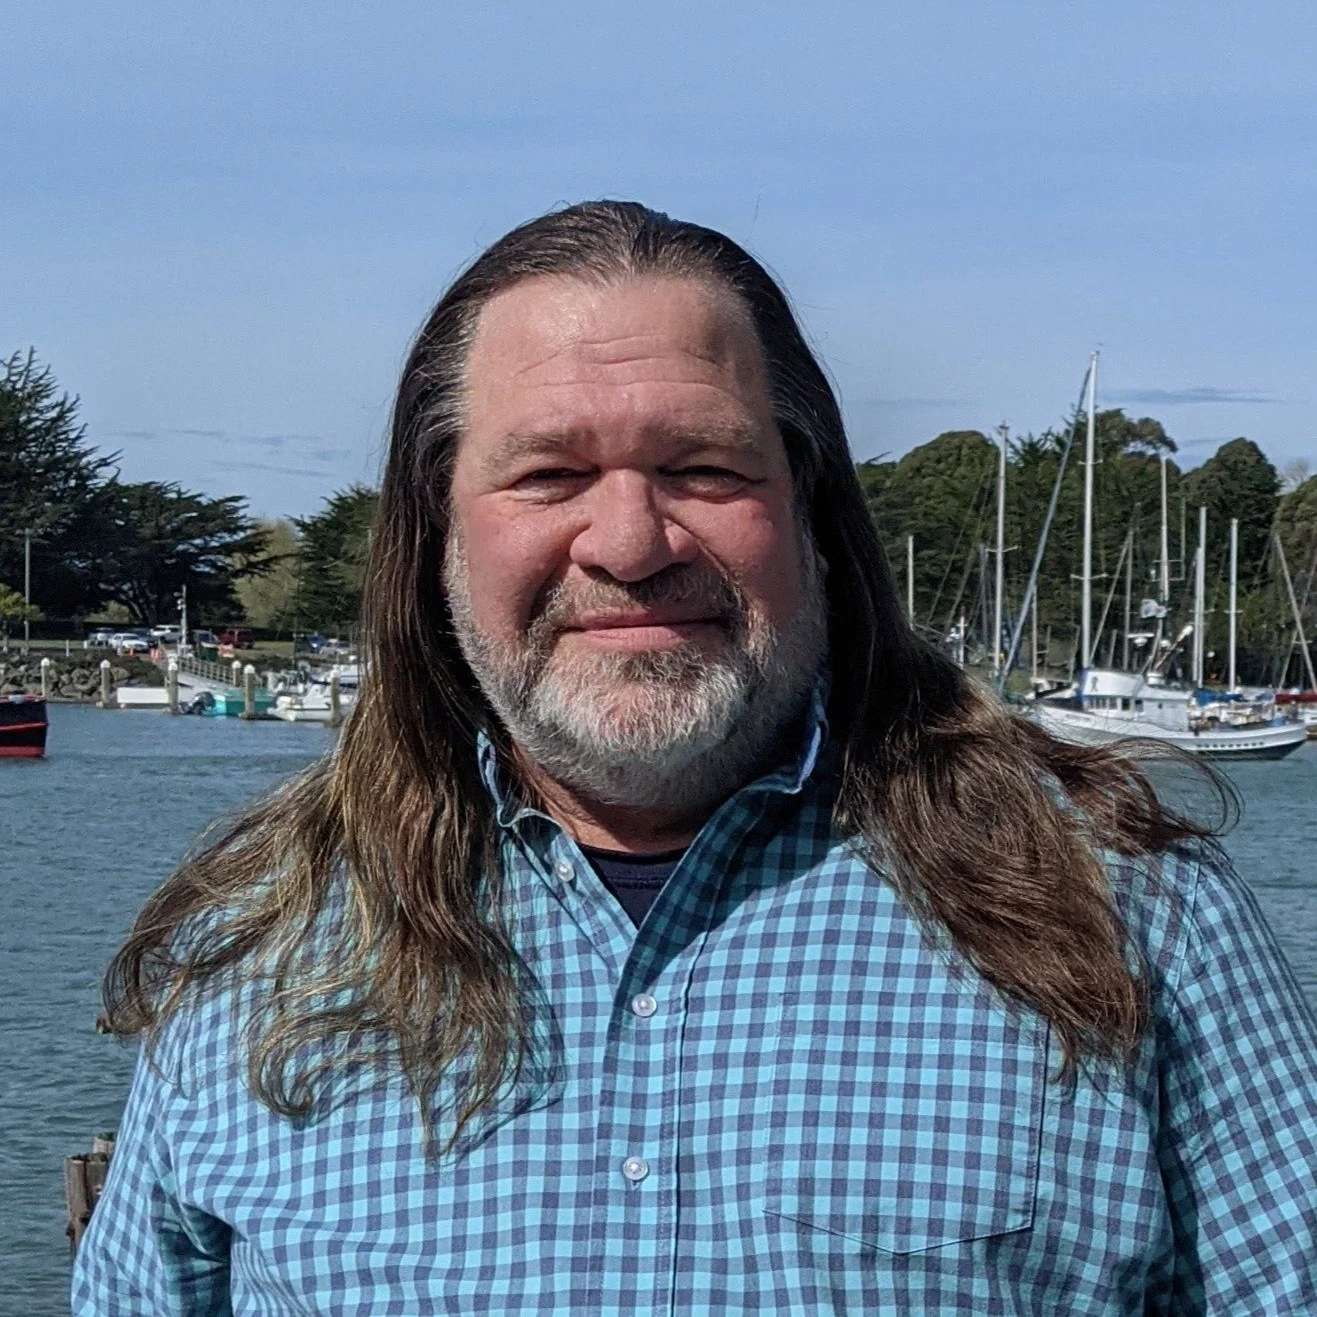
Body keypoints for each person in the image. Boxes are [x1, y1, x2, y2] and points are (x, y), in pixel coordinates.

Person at [74, 201, 1317, 1315]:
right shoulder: (255, 947)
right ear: (437, 533)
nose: (629, 542)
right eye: (550, 472)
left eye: (703, 469)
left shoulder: (1138, 919)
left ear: (810, 515)